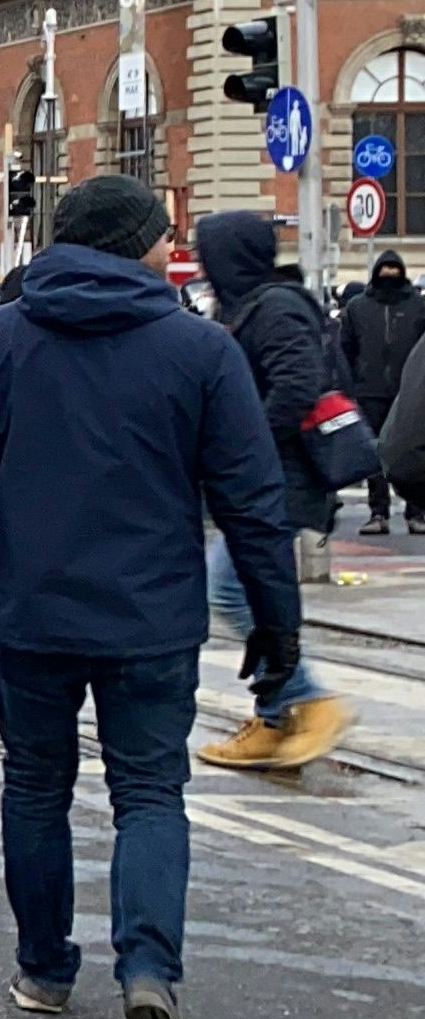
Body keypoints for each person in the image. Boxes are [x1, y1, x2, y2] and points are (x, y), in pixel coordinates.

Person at [0, 175, 304, 1019]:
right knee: (149, 793)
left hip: (32, 609)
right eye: (162, 233)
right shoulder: (201, 349)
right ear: (137, 244)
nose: (171, 246)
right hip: (152, 616)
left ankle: (44, 968)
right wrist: (278, 623)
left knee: (36, 786)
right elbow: (252, 502)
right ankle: (148, 970)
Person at [193, 211, 357, 769]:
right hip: (266, 475)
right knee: (247, 589)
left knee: (229, 586)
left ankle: (306, 699)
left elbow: (296, 385)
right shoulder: (250, 307)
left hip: (282, 476)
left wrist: (245, 444)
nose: (204, 267)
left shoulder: (277, 307)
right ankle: (276, 715)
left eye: (210, 255)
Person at [339, 250, 424, 534]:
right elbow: (346, 349)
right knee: (374, 454)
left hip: (410, 393)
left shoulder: (418, 306)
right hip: (369, 390)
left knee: (412, 451)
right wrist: (350, 386)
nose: (389, 276)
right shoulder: (358, 308)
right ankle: (378, 511)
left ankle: (417, 511)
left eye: (393, 270)